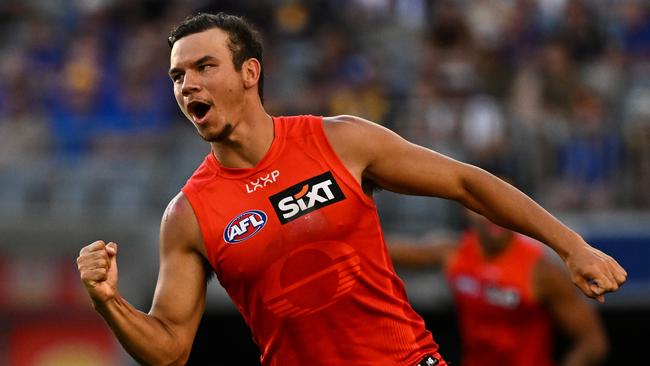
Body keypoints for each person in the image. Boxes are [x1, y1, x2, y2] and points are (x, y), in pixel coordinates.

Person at [76, 12, 626, 366]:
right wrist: (108, 303)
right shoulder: (189, 213)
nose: (187, 83)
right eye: (177, 76)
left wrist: (571, 245)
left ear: (249, 73)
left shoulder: (340, 141)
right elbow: (171, 349)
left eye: (203, 66)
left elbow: (466, 182)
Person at [388, 209, 609, 366]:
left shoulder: (540, 271)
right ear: (469, 210)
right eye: (486, 205)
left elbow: (592, 341)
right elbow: (391, 251)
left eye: (502, 205)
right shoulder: (454, 252)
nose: (495, 214)